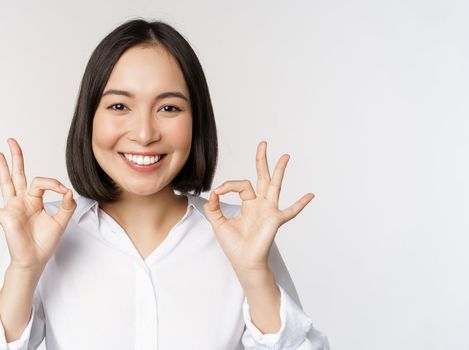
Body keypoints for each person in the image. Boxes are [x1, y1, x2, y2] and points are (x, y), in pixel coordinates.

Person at [0, 18, 330, 349]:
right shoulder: (40, 233)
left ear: (196, 121)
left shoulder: (241, 234)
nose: (144, 134)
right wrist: (24, 268)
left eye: (169, 108)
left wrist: (255, 274)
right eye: (119, 106)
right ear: (89, 117)